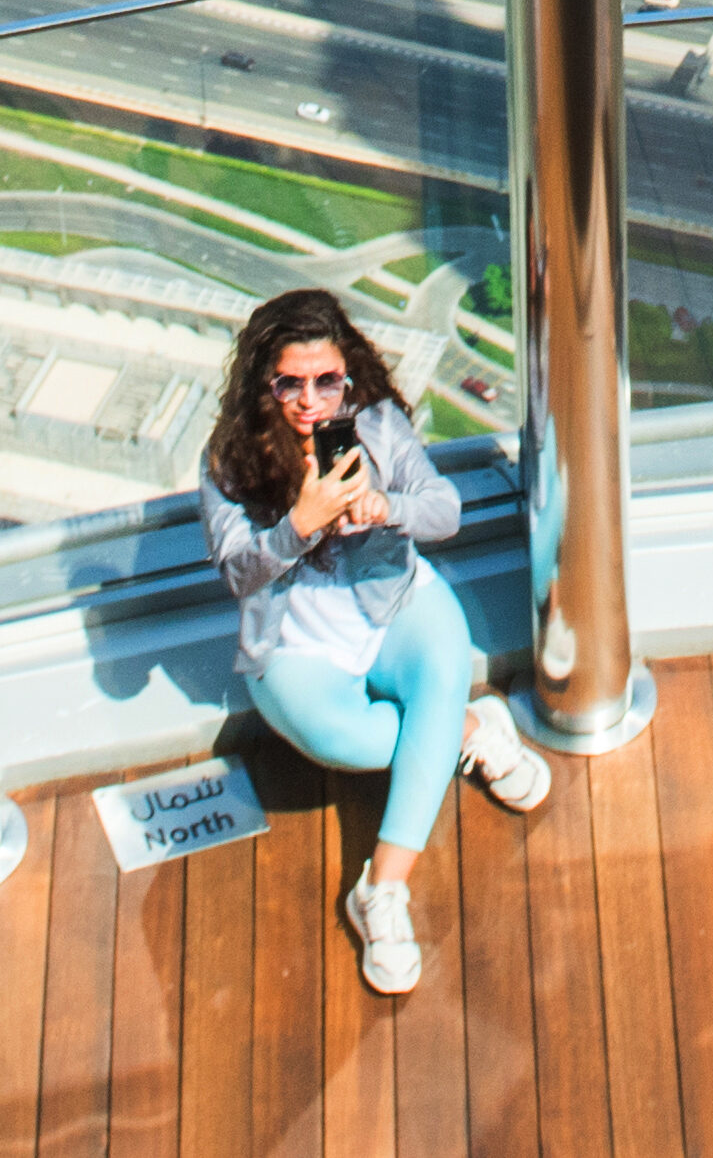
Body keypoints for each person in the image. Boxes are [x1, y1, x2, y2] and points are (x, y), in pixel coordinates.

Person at [196, 284, 551, 995]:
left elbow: (444, 510)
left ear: (347, 374)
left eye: (327, 381)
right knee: (347, 743)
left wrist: (385, 507)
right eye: (289, 384)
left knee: (440, 665)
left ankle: (381, 890)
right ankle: (472, 726)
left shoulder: (377, 424)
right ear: (263, 385)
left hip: (395, 605)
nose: (310, 402)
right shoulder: (229, 461)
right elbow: (239, 573)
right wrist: (297, 525)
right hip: (297, 641)